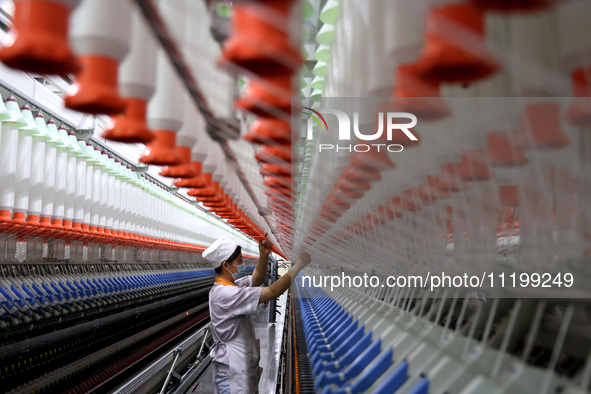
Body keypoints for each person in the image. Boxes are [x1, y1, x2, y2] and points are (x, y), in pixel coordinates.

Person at [202, 235, 310, 394]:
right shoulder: (228, 294)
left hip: (238, 368)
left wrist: (264, 254)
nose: (242, 264)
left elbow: (256, 279)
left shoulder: (229, 286)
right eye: (239, 261)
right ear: (226, 265)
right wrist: (298, 266)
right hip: (234, 375)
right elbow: (273, 291)